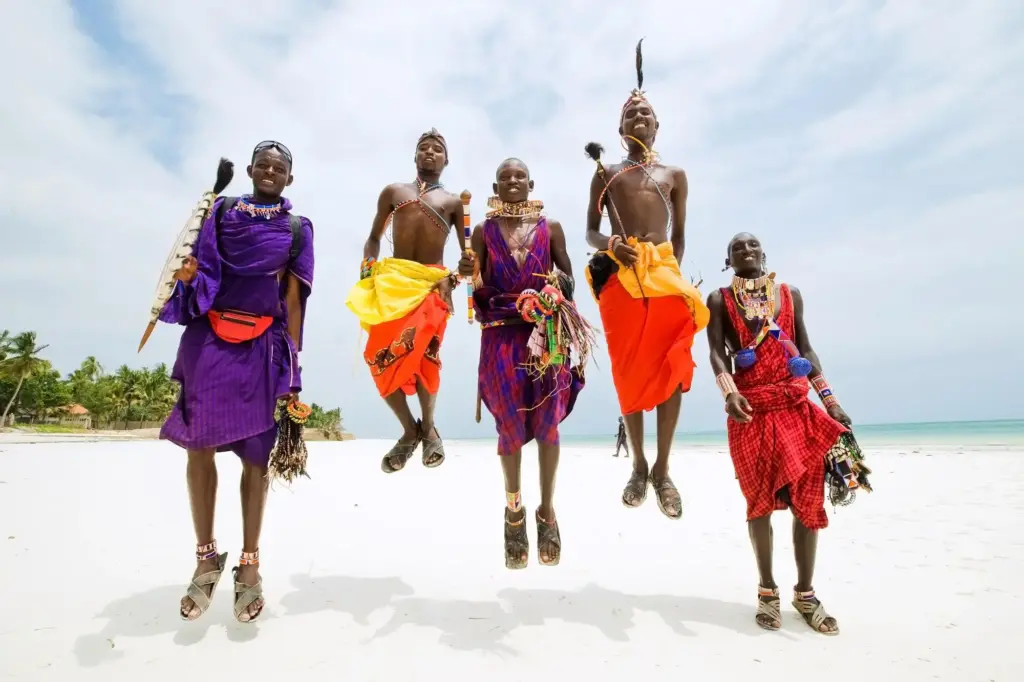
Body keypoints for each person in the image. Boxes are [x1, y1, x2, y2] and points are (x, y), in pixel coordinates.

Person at [160, 140, 315, 623]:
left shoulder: (297, 229)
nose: (270, 171)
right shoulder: (222, 211)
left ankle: (249, 564)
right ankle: (206, 557)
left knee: (256, 456)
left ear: (289, 178)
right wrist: (188, 275)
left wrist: (294, 366)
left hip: (263, 348)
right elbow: (202, 268)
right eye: (262, 164)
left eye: (279, 167)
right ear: (249, 170)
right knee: (199, 447)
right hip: (209, 340)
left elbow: (293, 300)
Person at [706, 232, 872, 636]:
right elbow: (716, 352)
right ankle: (767, 592)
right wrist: (729, 393)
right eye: (737, 248)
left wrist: (829, 399)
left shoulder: (789, 294)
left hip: (797, 407)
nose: (746, 250)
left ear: (764, 253)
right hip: (751, 412)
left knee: (808, 501)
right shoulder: (719, 300)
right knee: (759, 503)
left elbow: (806, 349)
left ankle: (805, 595)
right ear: (729, 261)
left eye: (752, 245)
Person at [584, 40, 709, 519]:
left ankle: (662, 469)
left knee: (674, 363)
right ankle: (637, 465)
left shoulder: (675, 173)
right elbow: (590, 232)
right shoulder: (607, 173)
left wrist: (669, 271)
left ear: (657, 125)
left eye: (646, 113)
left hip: (664, 274)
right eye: (631, 114)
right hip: (620, 277)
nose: (639, 118)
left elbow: (680, 235)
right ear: (620, 129)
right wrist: (611, 245)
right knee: (628, 371)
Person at [458, 158, 595, 569]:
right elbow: (474, 283)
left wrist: (555, 289)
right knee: (510, 425)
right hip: (500, 334)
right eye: (505, 177)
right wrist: (467, 271)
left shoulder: (551, 228)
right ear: (495, 187)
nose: (513, 181)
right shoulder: (482, 231)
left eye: (519, 176)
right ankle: (514, 510)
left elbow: (568, 276)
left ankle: (547, 512)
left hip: (546, 333)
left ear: (531, 184)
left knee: (548, 422)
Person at [345, 128, 463, 473]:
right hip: (392, 283)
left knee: (426, 355)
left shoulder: (454, 202)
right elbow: (373, 238)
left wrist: (453, 278)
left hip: (432, 286)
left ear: (446, 160)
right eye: (424, 147)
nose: (430, 152)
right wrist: (368, 269)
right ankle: (410, 430)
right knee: (376, 355)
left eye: (437, 149)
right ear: (415, 156)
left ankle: (429, 428)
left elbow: (470, 256)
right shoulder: (393, 192)